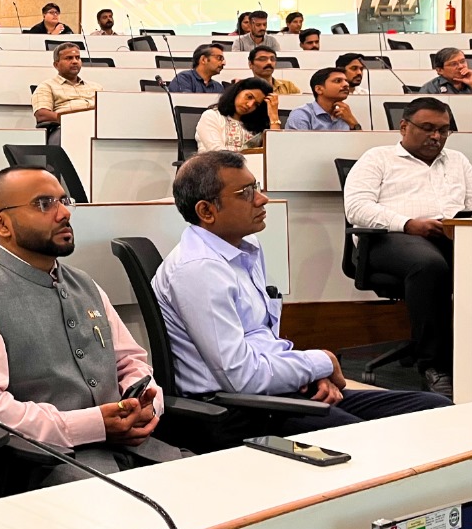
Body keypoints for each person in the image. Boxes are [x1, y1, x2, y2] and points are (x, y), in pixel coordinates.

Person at [153, 151, 451, 441]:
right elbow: (240, 375)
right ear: (207, 211)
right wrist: (321, 361)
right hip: (235, 408)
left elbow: (261, 340)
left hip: (270, 392)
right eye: (245, 193)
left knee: (435, 410)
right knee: (365, 440)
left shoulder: (245, 248)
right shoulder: (199, 270)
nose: (261, 198)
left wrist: (306, 372)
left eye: (256, 187)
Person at [0, 166, 185, 484]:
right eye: (44, 203)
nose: (64, 212)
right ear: (2, 223)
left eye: (63, 200)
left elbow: (130, 362)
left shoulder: (85, 285)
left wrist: (148, 403)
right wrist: (93, 424)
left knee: (218, 497)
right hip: (49, 469)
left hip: (138, 453)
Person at [344, 97, 472, 397]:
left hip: (450, 235)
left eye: (443, 130)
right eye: (428, 128)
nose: (436, 136)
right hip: (388, 238)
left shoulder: (458, 161)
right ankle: (434, 365)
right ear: (404, 127)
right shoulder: (377, 158)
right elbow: (358, 208)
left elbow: (470, 207)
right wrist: (407, 223)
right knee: (429, 265)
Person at [193, 78, 280, 152]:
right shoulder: (211, 116)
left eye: (256, 104)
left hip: (250, 169)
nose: (250, 105)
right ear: (238, 91)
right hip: (214, 168)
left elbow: (273, 153)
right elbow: (217, 152)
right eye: (249, 97)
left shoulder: (255, 125)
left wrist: (274, 117)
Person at [31, 44, 101, 125]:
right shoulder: (46, 86)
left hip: (97, 127)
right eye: (69, 58)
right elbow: (42, 115)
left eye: (77, 58)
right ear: (56, 65)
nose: (75, 61)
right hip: (65, 127)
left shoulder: (96, 87)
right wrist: (74, 120)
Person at [286, 67, 361, 131]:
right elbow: (300, 146)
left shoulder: (345, 114)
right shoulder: (302, 115)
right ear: (319, 89)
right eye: (338, 81)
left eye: (346, 81)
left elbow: (361, 144)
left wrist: (353, 123)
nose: (346, 84)